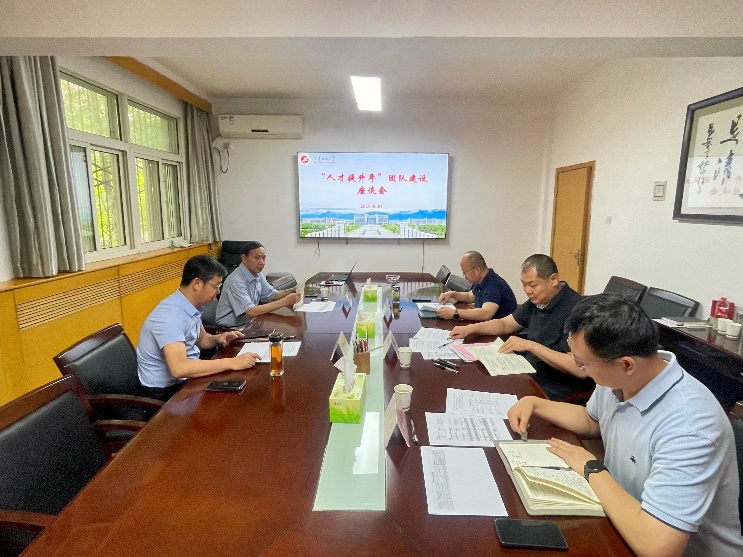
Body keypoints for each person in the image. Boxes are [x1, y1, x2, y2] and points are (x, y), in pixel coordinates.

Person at [507, 294, 743, 557]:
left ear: (627, 364)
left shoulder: (690, 427)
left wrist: (592, 468)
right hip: (622, 517)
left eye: (582, 364)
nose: (581, 369)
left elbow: (657, 547)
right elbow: (593, 421)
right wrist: (535, 404)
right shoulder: (620, 377)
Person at [449, 254, 592, 400]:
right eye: (524, 284)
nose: (528, 290)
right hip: (528, 371)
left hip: (553, 386)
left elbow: (579, 369)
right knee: (478, 381)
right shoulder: (538, 300)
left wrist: (530, 346)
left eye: (533, 285)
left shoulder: (577, 310)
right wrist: (470, 329)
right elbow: (505, 324)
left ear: (554, 279)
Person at [137, 255, 261, 400]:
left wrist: (218, 339)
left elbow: (200, 340)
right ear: (197, 283)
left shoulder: (189, 306)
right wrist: (232, 362)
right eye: (216, 286)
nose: (218, 291)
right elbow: (179, 368)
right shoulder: (170, 316)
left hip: (187, 380)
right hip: (166, 393)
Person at [216, 241, 302, 328]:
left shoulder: (257, 274)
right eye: (257, 258)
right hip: (232, 329)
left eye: (263, 258)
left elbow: (272, 294)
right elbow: (251, 311)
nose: (262, 262)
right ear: (244, 258)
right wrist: (285, 301)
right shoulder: (235, 280)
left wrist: (293, 290)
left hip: (251, 322)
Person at [436, 251, 517, 321]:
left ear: (477, 270)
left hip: (502, 332)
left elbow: (486, 314)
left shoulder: (493, 286)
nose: (464, 275)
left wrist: (455, 313)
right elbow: (470, 296)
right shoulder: (482, 279)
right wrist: (452, 294)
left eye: (464, 272)